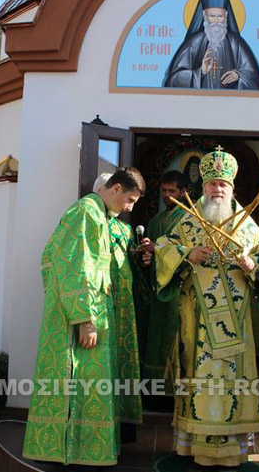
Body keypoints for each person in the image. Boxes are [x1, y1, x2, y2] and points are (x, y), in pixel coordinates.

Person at [154, 149, 259, 467]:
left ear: (232, 188)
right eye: (212, 184)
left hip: (235, 321)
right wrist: (188, 254)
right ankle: (192, 448)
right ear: (204, 187)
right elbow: (164, 246)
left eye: (223, 184)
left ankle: (231, 451)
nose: (218, 189)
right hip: (196, 318)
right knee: (197, 379)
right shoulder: (188, 218)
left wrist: (253, 264)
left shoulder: (245, 222)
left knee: (232, 382)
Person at [23, 167, 146, 466]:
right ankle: (72, 452)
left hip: (93, 311)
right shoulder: (86, 213)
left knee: (92, 384)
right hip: (79, 317)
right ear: (116, 189)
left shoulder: (99, 215)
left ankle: (87, 451)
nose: (129, 208)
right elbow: (75, 267)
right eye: (130, 200)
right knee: (79, 383)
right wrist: (84, 319)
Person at [94, 172, 146, 437]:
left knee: (121, 364)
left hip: (124, 309)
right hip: (99, 308)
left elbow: (134, 268)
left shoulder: (125, 230)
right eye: (129, 200)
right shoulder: (88, 221)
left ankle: (121, 428)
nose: (129, 208)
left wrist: (144, 258)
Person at [137, 170, 187, 387]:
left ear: (184, 191)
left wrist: (156, 248)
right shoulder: (157, 219)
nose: (167, 195)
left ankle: (173, 389)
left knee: (173, 336)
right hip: (157, 288)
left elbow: (188, 252)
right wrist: (147, 258)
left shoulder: (190, 219)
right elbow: (150, 257)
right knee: (155, 334)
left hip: (178, 289)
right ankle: (154, 387)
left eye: (172, 191)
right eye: (164, 191)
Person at [163, 0, 259, 90]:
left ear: (226, 17)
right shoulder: (193, 42)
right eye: (212, 16)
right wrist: (200, 72)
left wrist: (238, 75)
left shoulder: (236, 43)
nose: (216, 21)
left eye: (220, 16)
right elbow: (174, 79)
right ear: (205, 17)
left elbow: (254, 77)